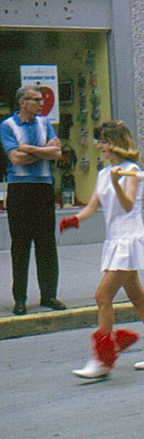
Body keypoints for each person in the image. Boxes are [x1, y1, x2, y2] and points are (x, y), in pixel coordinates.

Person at [60, 121, 144, 378]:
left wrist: (118, 182)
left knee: (102, 296)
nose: (100, 146)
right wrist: (75, 219)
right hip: (115, 241)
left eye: (103, 141)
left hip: (129, 240)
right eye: (99, 141)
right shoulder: (103, 174)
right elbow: (92, 207)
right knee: (138, 298)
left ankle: (103, 359)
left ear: (116, 143)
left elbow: (129, 205)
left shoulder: (131, 171)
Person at [0, 85, 66, 316]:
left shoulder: (45, 123)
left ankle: (49, 294)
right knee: (20, 244)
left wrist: (28, 148)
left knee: (46, 243)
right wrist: (42, 150)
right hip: (20, 189)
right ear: (22, 102)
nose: (41, 103)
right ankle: (20, 298)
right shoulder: (7, 125)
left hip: (43, 187)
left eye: (41, 99)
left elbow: (57, 153)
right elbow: (15, 158)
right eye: (36, 100)